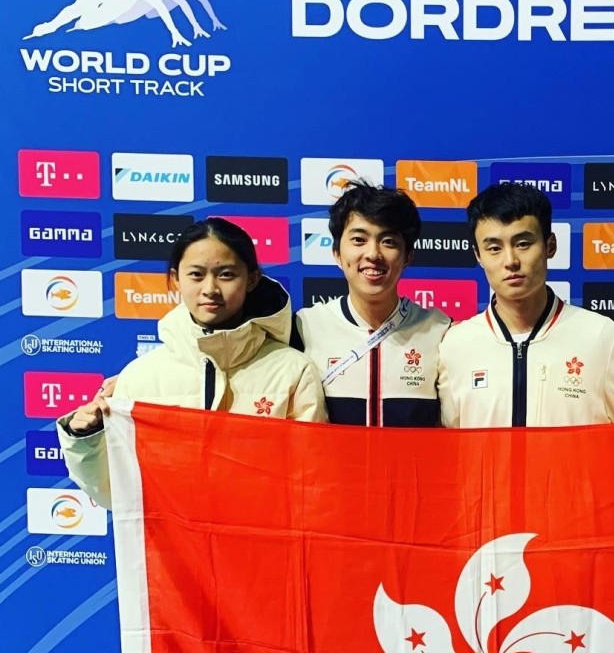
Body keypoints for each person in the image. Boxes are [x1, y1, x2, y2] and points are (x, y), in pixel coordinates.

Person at [58, 218, 328, 509]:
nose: (210, 288)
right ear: (176, 279)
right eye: (196, 275)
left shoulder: (292, 370)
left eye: (226, 275)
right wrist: (84, 440)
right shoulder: (139, 377)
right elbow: (115, 491)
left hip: (263, 548)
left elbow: (311, 479)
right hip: (171, 551)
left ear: (251, 278)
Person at [438, 182, 614, 427]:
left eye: (523, 244)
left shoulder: (600, 336)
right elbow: (447, 449)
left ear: (550, 246)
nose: (511, 261)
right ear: (478, 256)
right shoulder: (456, 346)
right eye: (494, 248)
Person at [291, 180, 451, 426]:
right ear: (336, 252)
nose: (373, 254)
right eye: (358, 240)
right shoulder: (305, 328)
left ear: (408, 255)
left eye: (388, 241)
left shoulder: (440, 331)